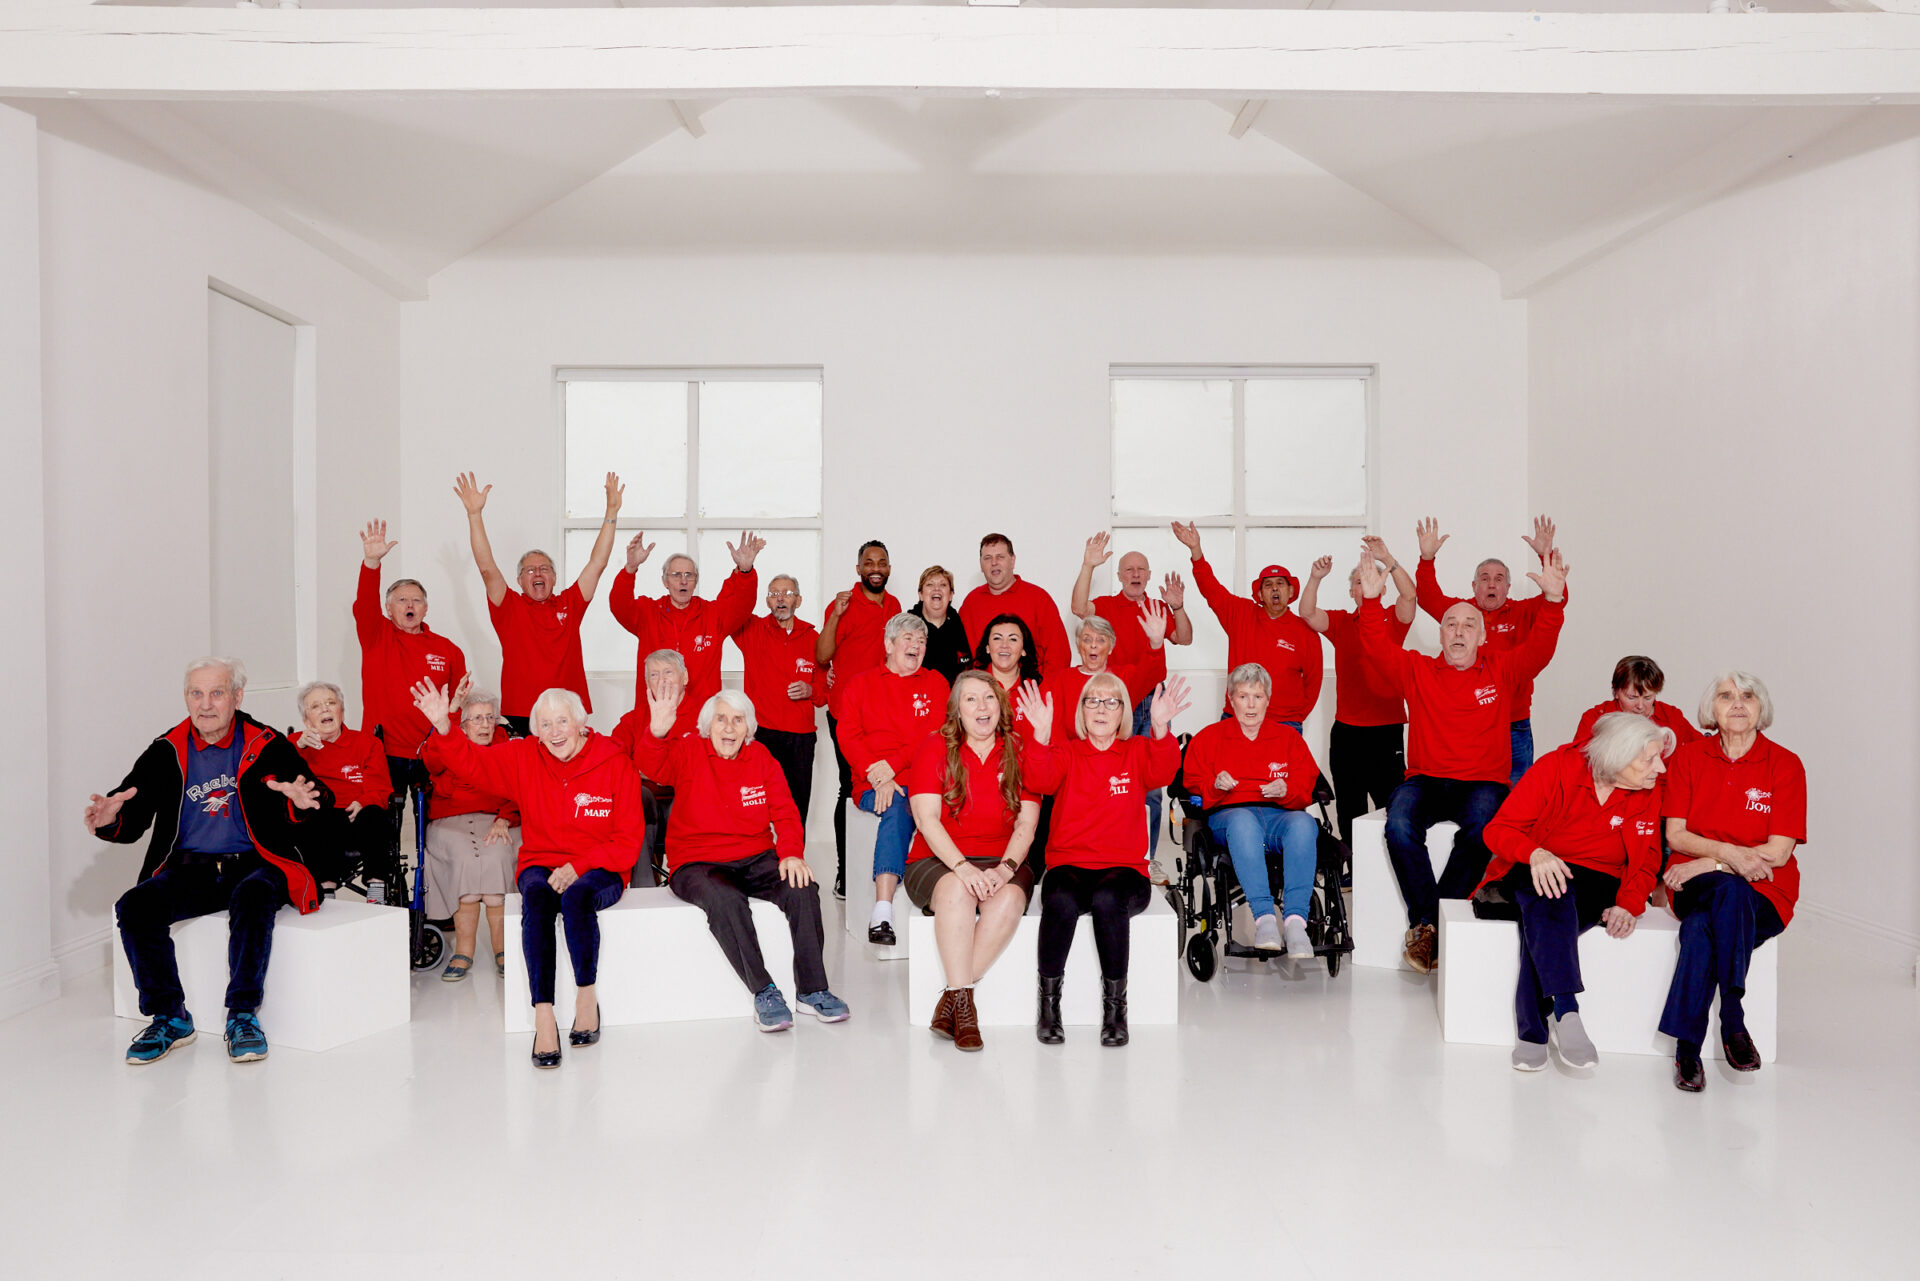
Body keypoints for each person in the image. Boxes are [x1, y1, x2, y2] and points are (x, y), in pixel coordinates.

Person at [88, 657, 329, 1065]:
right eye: (196, 693)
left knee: (253, 896)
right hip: (191, 868)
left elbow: (319, 799)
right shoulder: (166, 750)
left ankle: (242, 1015)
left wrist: (302, 803)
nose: (205, 704)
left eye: (216, 693)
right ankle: (170, 1016)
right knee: (134, 907)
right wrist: (112, 818)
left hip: (254, 863)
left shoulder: (266, 743)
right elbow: (132, 809)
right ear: (186, 698)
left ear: (236, 696)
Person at [1356, 543, 1568, 974]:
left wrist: (1552, 600)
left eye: (1468, 624)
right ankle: (1430, 922)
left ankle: (1428, 926)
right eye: (1450, 623)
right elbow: (1376, 647)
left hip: (1482, 783)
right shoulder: (1416, 669)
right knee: (1397, 825)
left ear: (1482, 634)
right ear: (1440, 633)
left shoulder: (1502, 671)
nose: (1458, 630)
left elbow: (1541, 648)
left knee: (1485, 830)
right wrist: (1373, 602)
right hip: (1426, 779)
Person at [411, 680, 643, 1069]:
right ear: (537, 730)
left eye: (562, 722)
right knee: (536, 899)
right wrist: (445, 726)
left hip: (598, 864)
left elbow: (628, 840)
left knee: (576, 897)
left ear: (580, 724)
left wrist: (579, 867)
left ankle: (587, 996)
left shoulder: (614, 761)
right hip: (542, 859)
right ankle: (544, 1014)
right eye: (546, 724)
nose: (555, 733)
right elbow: (473, 763)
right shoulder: (524, 757)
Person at [636, 681, 850, 1032]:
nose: (729, 728)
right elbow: (652, 765)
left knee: (804, 888)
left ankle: (813, 991)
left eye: (738, 720)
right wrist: (657, 731)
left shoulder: (761, 758)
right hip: (698, 861)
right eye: (721, 719)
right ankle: (764, 991)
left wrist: (793, 854)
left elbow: (785, 811)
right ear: (709, 726)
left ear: (749, 727)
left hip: (755, 856)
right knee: (726, 899)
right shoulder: (689, 750)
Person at [1478, 713, 1668, 1072]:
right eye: (1649, 759)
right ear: (1616, 756)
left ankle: (1533, 1033)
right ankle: (1566, 1010)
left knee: (1544, 926)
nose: (1659, 767)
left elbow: (1648, 860)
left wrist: (1628, 904)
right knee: (1552, 896)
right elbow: (1498, 830)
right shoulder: (1556, 767)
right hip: (1540, 866)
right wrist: (1535, 853)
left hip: (1600, 880)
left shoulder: (1648, 790)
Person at [1019, 671, 1190, 1047]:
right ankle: (1049, 1007)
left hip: (1125, 871)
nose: (1101, 708)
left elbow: (1165, 770)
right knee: (1060, 900)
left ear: (1123, 711)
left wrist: (1160, 728)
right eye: (1092, 700)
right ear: (1081, 710)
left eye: (1111, 701)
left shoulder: (1137, 751)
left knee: (1108, 899)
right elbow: (1038, 779)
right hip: (1069, 865)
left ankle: (1116, 1012)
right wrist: (1040, 736)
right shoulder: (1066, 751)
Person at [1658, 671, 1805, 1093]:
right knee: (1729, 891)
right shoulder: (1688, 759)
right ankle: (1734, 1019)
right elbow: (1675, 834)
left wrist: (1710, 863)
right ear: (1711, 710)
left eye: (1748, 696)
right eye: (1726, 696)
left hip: (1766, 893)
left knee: (1701, 928)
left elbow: (1778, 853)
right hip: (1695, 886)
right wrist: (1732, 857)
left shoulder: (1786, 765)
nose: (1738, 703)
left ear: (1762, 708)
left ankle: (1688, 1048)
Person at [901, 671, 1040, 1051]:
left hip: (1002, 857)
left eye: (989, 698)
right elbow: (926, 821)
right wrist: (961, 867)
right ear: (957, 712)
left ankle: (952, 997)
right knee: (957, 892)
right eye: (971, 700)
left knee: (1010, 899)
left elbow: (1027, 823)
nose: (982, 707)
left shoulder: (1018, 748)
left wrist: (1005, 869)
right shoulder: (934, 747)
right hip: (937, 857)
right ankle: (965, 1011)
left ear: (1001, 705)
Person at [454, 470, 621, 734]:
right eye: (530, 570)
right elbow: (486, 568)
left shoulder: (570, 603)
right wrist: (474, 515)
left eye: (544, 568)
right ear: (519, 580)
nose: (538, 573)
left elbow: (597, 564)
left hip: (567, 711)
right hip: (521, 712)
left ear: (554, 577)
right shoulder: (508, 606)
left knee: (569, 774)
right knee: (524, 776)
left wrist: (611, 512)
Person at [1181, 663, 1325, 959]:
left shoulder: (1288, 739)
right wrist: (1215, 784)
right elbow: (1191, 786)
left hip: (1277, 815)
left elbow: (1306, 786)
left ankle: (1297, 923)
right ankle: (1265, 920)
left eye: (1257, 697)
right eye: (1243, 696)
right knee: (1244, 822)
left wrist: (1287, 789)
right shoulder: (1209, 738)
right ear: (1231, 698)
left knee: (1304, 824)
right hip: (1230, 815)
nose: (1250, 704)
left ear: (1268, 700)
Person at [1070, 533, 1192, 868]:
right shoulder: (1108, 605)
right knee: (1111, 781)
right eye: (1129, 569)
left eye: (1141, 569)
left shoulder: (1157, 607)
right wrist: (1088, 565)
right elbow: (1080, 607)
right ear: (1121, 576)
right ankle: (1109, 853)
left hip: (1153, 703)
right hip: (1115, 703)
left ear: (1148, 576)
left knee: (1150, 787)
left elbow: (1184, 637)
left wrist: (1177, 607)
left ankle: (1145, 860)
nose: (1135, 574)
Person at [1413, 515, 1563, 785]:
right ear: (1474, 586)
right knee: (1477, 799)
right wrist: (1427, 559)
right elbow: (1427, 596)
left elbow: (1556, 596)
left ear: (1507, 586)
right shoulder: (1460, 614)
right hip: (1474, 725)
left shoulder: (1523, 611)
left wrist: (1546, 556)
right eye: (1484, 578)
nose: (1491, 584)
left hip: (1514, 724)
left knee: (1517, 799)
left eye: (1498, 579)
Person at [353, 517, 468, 855]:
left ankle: (433, 899)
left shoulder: (447, 649)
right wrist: (372, 562)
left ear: (426, 607)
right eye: (401, 600)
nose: (409, 606)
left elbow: (457, 704)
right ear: (388, 609)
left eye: (416, 600)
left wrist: (448, 740)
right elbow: (363, 603)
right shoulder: (376, 636)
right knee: (385, 831)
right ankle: (391, 897)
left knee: (434, 832)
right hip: (383, 753)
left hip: (430, 755)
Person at [834, 613, 950, 945]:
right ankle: (882, 912)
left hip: (926, 781)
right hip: (875, 785)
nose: (917, 645)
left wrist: (894, 764)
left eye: (922, 640)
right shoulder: (860, 684)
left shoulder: (936, 683)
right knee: (899, 805)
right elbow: (848, 736)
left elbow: (937, 737)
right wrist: (878, 777)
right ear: (889, 644)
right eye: (909, 638)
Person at [1299, 537, 1417, 850]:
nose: (1362, 585)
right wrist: (1314, 578)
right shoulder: (1341, 622)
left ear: (1381, 586)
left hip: (1385, 731)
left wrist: (1388, 560)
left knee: (1392, 806)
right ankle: (1355, 867)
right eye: (1356, 581)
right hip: (1347, 733)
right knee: (1349, 807)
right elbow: (1308, 612)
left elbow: (1410, 595)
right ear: (1352, 591)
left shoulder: (1393, 619)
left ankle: (1393, 868)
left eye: (1367, 580)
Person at [1169, 521, 1323, 729]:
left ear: (1291, 592)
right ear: (1259, 594)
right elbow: (1211, 588)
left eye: (1280, 583)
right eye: (1268, 585)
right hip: (1236, 719)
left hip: (1284, 723)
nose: (1274, 589)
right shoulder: (1240, 613)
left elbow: (1313, 681)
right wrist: (1196, 550)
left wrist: (1295, 716)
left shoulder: (1306, 631)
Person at [609, 531, 763, 738]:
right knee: (653, 765)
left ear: (695, 581)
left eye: (689, 575)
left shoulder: (714, 615)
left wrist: (745, 571)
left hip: (701, 720)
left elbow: (742, 606)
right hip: (657, 714)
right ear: (665, 581)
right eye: (676, 575)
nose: (683, 580)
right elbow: (619, 605)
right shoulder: (648, 612)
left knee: (698, 769)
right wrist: (630, 569)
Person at [817, 540, 902, 899]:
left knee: (889, 780)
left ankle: (884, 870)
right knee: (848, 786)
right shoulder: (843, 604)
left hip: (884, 714)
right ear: (858, 569)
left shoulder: (894, 606)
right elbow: (822, 656)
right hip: (847, 713)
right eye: (869, 562)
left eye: (882, 562)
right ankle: (845, 873)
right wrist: (835, 615)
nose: (876, 568)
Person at [420, 686, 522, 982]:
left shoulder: (508, 746)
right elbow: (430, 762)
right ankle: (464, 949)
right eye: (477, 719)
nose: (485, 725)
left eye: (490, 718)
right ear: (462, 726)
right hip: (450, 822)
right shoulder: (446, 743)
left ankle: (502, 948)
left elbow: (522, 787)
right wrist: (445, 721)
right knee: (466, 857)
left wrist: (505, 818)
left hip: (498, 820)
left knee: (498, 854)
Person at [728, 574, 827, 826]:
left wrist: (810, 690)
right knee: (754, 805)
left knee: (796, 808)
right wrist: (743, 571)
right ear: (767, 601)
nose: (780, 598)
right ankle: (758, 863)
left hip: (800, 738)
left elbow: (825, 690)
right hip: (761, 734)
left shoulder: (813, 638)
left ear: (799, 600)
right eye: (774, 594)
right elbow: (732, 606)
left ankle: (794, 863)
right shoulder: (751, 630)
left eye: (787, 593)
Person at [289, 681, 396, 899]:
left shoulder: (367, 743)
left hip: (359, 814)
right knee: (317, 816)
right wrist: (298, 747)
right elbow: (278, 776)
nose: (326, 709)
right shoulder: (295, 745)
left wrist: (364, 802)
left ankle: (376, 889)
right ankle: (326, 889)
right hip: (322, 818)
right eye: (316, 706)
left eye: (331, 703)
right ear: (305, 719)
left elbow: (381, 787)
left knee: (375, 814)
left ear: (342, 710)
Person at [957, 533, 1072, 678]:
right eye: (987, 558)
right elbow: (960, 653)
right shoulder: (971, 602)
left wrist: (1043, 693)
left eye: (1000, 557)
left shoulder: (1039, 598)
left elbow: (1059, 654)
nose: (994, 563)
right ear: (981, 564)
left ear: (1012, 560)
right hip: (983, 692)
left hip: (1030, 693)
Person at [1571, 655, 1704, 750]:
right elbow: (1578, 766)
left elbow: (1702, 749)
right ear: (1616, 691)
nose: (1640, 706)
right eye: (1632, 697)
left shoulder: (1672, 716)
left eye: (1648, 698)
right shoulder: (1594, 719)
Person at [911, 565, 975, 683]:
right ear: (920, 594)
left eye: (943, 585)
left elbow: (966, 671)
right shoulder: (906, 627)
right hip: (916, 696)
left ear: (950, 595)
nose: (936, 589)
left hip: (953, 697)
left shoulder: (961, 627)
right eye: (930, 584)